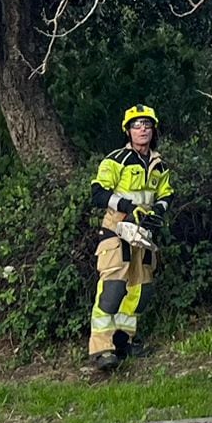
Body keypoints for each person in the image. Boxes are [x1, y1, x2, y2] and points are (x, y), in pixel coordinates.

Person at [86, 104, 175, 370]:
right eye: (137, 125)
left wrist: (159, 210)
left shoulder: (159, 164)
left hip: (143, 234)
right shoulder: (116, 159)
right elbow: (98, 193)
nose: (143, 129)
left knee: (141, 290)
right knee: (112, 290)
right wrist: (126, 207)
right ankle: (102, 348)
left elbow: (167, 194)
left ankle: (124, 341)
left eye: (147, 124)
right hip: (118, 231)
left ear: (154, 129)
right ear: (128, 131)